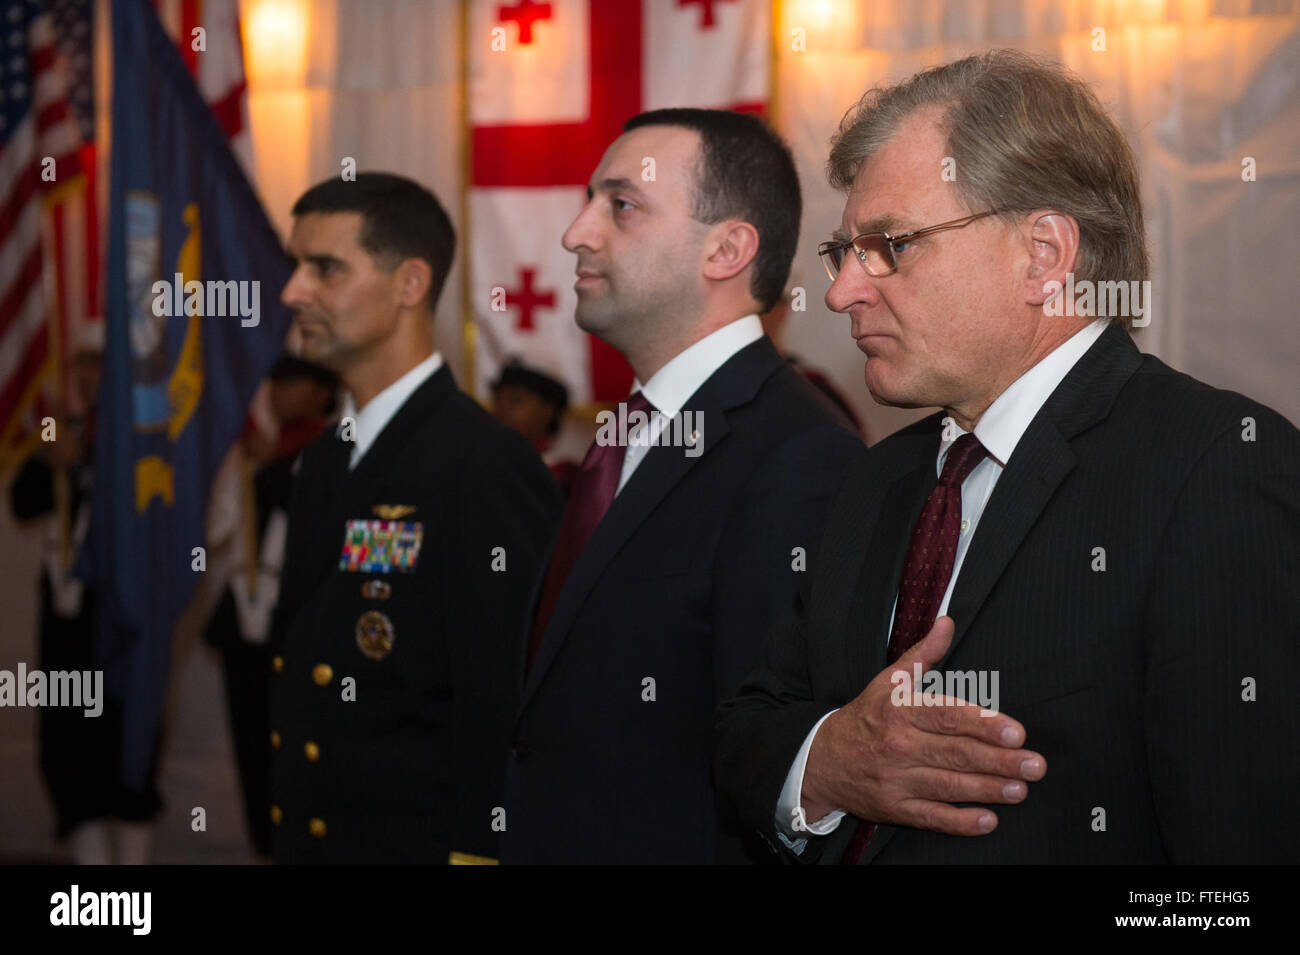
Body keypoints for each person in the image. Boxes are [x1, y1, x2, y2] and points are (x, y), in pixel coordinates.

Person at [713, 50, 1300, 864]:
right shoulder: (880, 476)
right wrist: (831, 761)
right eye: (843, 252)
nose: (845, 291)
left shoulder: (1214, 469)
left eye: (891, 245)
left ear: (1045, 256)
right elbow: (749, 726)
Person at [502, 108, 863, 864]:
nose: (577, 233)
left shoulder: (794, 454)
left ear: (727, 249)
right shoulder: (628, 429)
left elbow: (768, 759)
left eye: (621, 205)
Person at [271, 172, 562, 864]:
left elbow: (505, 698)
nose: (293, 292)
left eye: (325, 268)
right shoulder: (322, 459)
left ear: (409, 283)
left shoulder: (485, 464)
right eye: (295, 267)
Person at [9, 341, 162, 864]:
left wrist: (93, 464)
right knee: (65, 743)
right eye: (84, 362)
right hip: (64, 616)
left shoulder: (143, 434)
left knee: (124, 743)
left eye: (102, 361)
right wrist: (56, 459)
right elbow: (22, 501)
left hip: (119, 615)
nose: (92, 373)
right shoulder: (60, 425)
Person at [203, 355, 338, 858]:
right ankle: (265, 846)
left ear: (324, 390)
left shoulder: (333, 448)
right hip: (244, 617)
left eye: (293, 380)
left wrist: (269, 467)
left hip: (301, 625)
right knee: (252, 747)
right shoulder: (249, 452)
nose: (279, 391)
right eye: (275, 380)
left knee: (303, 752)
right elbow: (216, 529)